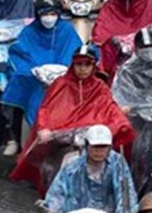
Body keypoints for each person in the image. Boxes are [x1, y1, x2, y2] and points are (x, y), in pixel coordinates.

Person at [11, 45, 136, 195]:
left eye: (87, 64)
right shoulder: (60, 84)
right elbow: (45, 109)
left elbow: (110, 108)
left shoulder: (100, 87)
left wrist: (121, 122)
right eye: (79, 64)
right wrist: (44, 128)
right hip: (61, 139)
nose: (82, 69)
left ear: (94, 65)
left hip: (90, 138)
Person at [0, 0, 82, 141]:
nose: (48, 18)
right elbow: (18, 55)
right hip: (34, 78)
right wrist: (35, 71)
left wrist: (64, 70)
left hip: (64, 78)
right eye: (44, 14)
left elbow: (75, 51)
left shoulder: (67, 30)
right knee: (19, 85)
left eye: (52, 14)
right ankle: (14, 138)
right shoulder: (28, 32)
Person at [44, 125, 138, 213]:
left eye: (103, 147)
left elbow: (126, 195)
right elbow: (57, 194)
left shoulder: (118, 163)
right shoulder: (72, 166)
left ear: (110, 147)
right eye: (95, 147)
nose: (99, 151)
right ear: (87, 145)